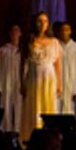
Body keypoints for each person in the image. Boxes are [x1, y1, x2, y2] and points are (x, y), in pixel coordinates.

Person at [20, 12, 62, 143]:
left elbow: (58, 65)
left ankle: (49, 141)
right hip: (33, 78)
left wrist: (60, 84)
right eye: (39, 21)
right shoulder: (29, 40)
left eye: (45, 21)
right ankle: (32, 140)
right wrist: (22, 83)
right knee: (34, 107)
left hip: (49, 78)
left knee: (48, 108)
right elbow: (22, 64)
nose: (42, 24)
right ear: (35, 23)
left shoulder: (54, 42)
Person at [0, 24, 23, 133]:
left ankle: (17, 130)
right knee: (6, 106)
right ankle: (6, 131)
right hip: (6, 82)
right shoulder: (3, 51)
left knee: (19, 107)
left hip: (19, 83)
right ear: (10, 33)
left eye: (17, 31)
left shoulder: (22, 51)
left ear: (20, 34)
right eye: (13, 31)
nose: (15, 33)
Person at [54, 22, 76, 116]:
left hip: (70, 85)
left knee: (69, 110)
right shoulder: (55, 46)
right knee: (55, 108)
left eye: (67, 30)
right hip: (57, 83)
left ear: (70, 31)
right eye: (62, 30)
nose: (64, 32)